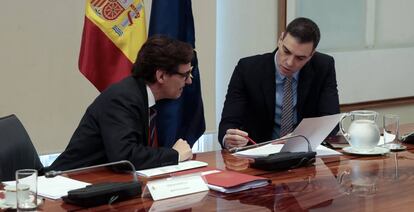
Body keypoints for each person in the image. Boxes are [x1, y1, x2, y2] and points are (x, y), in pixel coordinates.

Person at [48, 35, 194, 171]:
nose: (189, 81)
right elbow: (124, 157)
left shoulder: (143, 97)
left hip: (102, 183)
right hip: (66, 184)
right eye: (185, 75)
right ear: (161, 76)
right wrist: (174, 155)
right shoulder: (122, 98)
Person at [219, 17, 340, 149]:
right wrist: (229, 139)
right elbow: (228, 123)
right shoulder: (248, 69)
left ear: (311, 55)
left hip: (302, 154)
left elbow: (330, 121)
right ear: (280, 39)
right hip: (257, 155)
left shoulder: (323, 66)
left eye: (300, 58)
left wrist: (298, 137)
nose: (289, 62)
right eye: (286, 51)